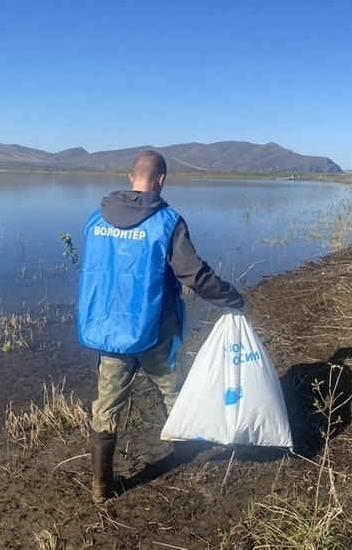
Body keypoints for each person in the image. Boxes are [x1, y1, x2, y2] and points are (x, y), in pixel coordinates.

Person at [77, 150, 245, 502]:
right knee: (174, 390)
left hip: (112, 334)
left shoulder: (97, 219)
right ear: (162, 180)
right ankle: (183, 454)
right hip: (157, 332)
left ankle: (100, 486)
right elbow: (194, 274)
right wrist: (231, 298)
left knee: (106, 407)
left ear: (130, 177)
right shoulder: (168, 221)